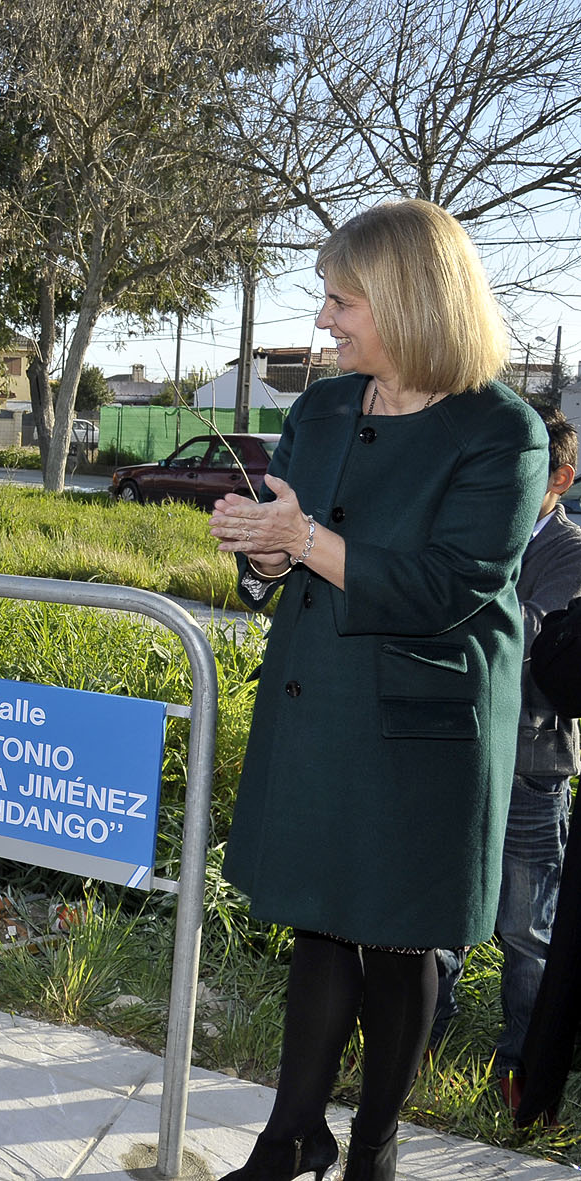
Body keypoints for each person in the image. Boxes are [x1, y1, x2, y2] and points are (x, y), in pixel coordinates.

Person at [208, 200, 544, 1181]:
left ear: (404, 299)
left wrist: (303, 541)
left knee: (399, 939)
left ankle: (373, 1145)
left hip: (421, 724)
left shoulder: (499, 431)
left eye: (339, 299)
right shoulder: (318, 409)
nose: (323, 321)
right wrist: (262, 556)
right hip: (319, 700)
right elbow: (279, 553)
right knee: (320, 917)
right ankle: (290, 1134)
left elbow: (453, 586)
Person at [428, 408, 581, 1106]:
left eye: (526, 470)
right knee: (443, 908)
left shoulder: (570, 552)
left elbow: (522, 645)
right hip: (461, 753)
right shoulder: (479, 533)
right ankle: (425, 1035)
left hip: (530, 766)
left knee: (526, 928)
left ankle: (518, 1069)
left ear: (560, 477)